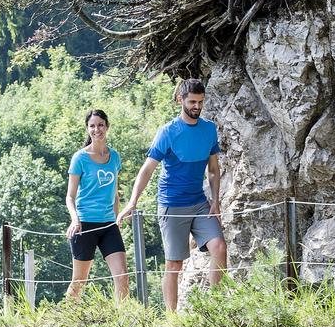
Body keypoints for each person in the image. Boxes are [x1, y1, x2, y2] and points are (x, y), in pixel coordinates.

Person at [119, 79, 227, 312]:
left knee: (219, 246)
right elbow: (147, 169)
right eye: (192, 102)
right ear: (180, 100)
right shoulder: (168, 132)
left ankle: (219, 309)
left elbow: (214, 169)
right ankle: (172, 318)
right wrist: (132, 202)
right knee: (174, 263)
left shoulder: (209, 129)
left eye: (200, 102)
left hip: (199, 202)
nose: (197, 106)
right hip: (172, 205)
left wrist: (216, 200)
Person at [65, 108, 129, 301]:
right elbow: (70, 196)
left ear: (107, 126)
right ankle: (64, 320)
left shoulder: (115, 157)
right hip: (84, 225)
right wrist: (75, 220)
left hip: (109, 225)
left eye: (100, 125)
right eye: (92, 126)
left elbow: (115, 193)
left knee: (122, 276)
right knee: (79, 281)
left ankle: (123, 322)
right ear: (87, 129)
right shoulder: (80, 158)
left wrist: (116, 219)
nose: (96, 129)